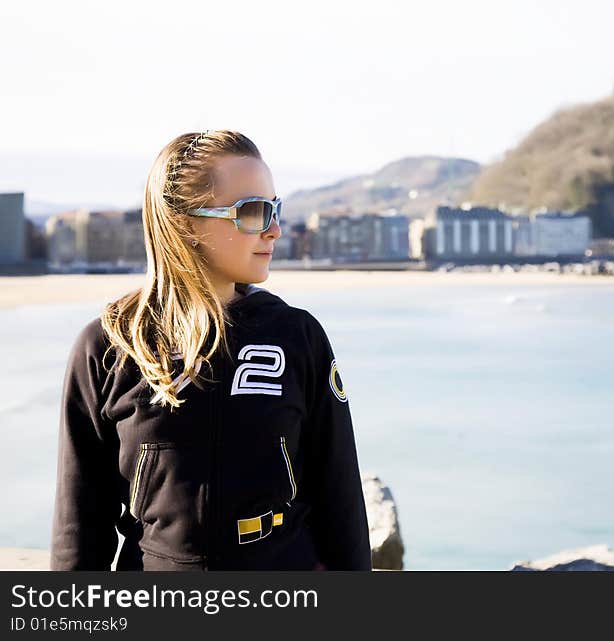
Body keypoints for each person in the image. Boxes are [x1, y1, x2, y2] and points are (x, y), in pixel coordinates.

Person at [49, 130, 372, 571]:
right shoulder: (108, 346)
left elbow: (341, 500)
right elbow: (79, 522)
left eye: (275, 209)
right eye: (254, 212)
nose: (275, 230)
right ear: (186, 223)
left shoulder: (298, 336)